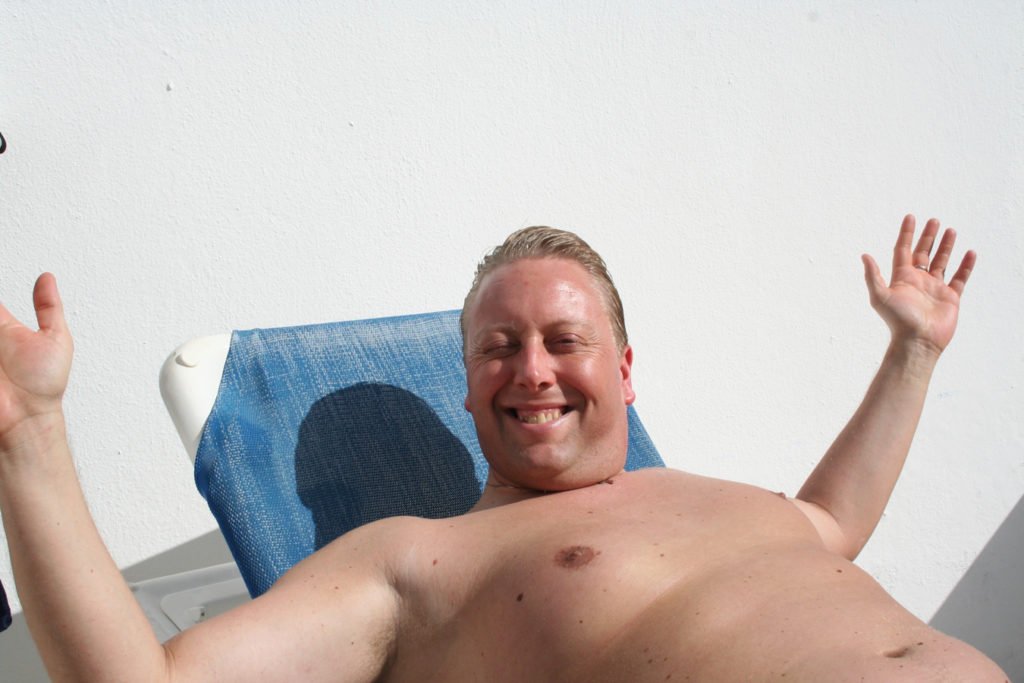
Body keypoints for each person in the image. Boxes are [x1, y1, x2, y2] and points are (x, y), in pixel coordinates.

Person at [0, 215, 1008, 682]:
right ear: (466, 382)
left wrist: (912, 352)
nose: (531, 370)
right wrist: (28, 434)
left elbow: (831, 520)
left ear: (625, 370)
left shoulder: (720, 495)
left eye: (564, 340)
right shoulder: (417, 560)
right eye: (497, 347)